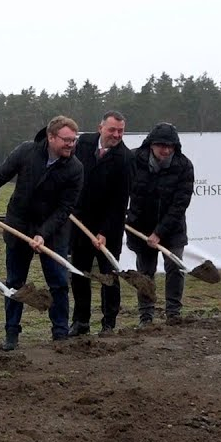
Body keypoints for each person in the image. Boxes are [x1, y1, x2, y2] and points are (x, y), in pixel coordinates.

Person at [0, 115, 84, 349]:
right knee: (15, 282)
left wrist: (43, 233)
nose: (70, 144)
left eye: (73, 140)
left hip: (53, 230)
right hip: (19, 224)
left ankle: (60, 332)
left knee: (58, 282)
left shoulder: (75, 168)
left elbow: (65, 208)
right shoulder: (26, 152)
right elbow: (0, 176)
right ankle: (11, 334)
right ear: (51, 137)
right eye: (66, 140)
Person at [70, 111, 134, 336]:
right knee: (79, 274)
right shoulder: (83, 143)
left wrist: (105, 232)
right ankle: (81, 321)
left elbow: (119, 203)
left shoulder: (125, 159)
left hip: (109, 227)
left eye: (121, 131)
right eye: (112, 130)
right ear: (100, 128)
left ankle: (108, 323)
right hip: (80, 223)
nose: (116, 135)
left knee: (108, 276)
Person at [125, 122, 195, 325]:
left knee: (175, 268)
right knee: (145, 272)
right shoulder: (133, 159)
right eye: (161, 145)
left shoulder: (183, 166)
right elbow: (120, 189)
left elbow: (180, 204)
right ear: (151, 144)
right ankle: (146, 316)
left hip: (172, 228)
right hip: (140, 227)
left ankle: (173, 313)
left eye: (170, 146)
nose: (165, 150)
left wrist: (159, 232)